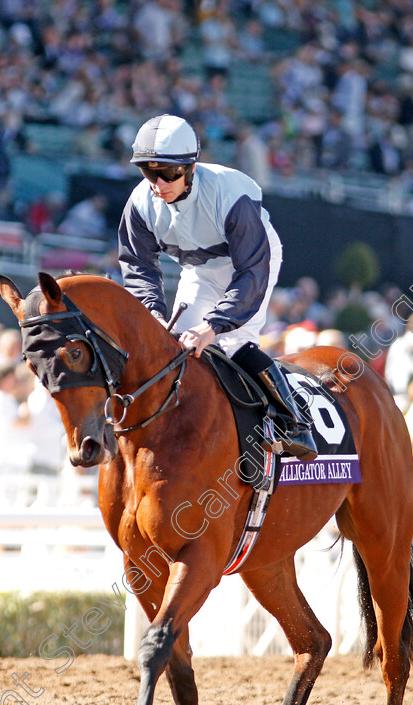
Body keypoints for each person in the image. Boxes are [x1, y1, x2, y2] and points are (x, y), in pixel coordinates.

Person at [118, 114, 317, 460]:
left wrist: (213, 325)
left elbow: (252, 272)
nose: (159, 183)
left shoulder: (229, 196)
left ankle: (294, 421)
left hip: (251, 261)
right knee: (177, 346)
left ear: (190, 168)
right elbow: (138, 266)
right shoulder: (139, 204)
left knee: (232, 341)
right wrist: (150, 311)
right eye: (150, 172)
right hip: (199, 268)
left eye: (169, 173)